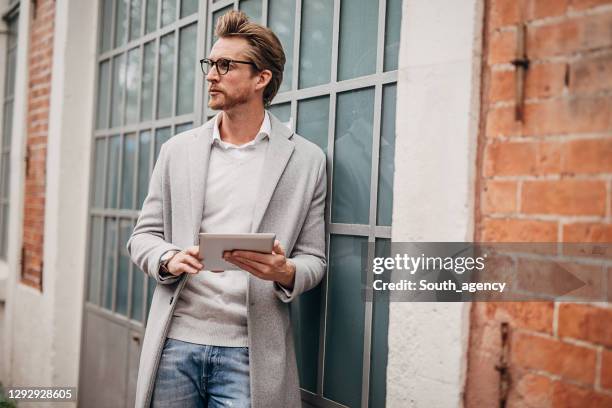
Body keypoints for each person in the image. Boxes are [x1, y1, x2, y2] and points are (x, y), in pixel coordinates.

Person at [127, 10, 327, 408]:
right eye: (210, 64)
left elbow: (315, 260)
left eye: (225, 65)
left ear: (261, 78)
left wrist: (285, 272)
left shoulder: (306, 159)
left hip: (250, 354)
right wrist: (168, 257)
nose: (211, 74)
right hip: (175, 344)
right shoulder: (177, 151)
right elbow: (142, 237)